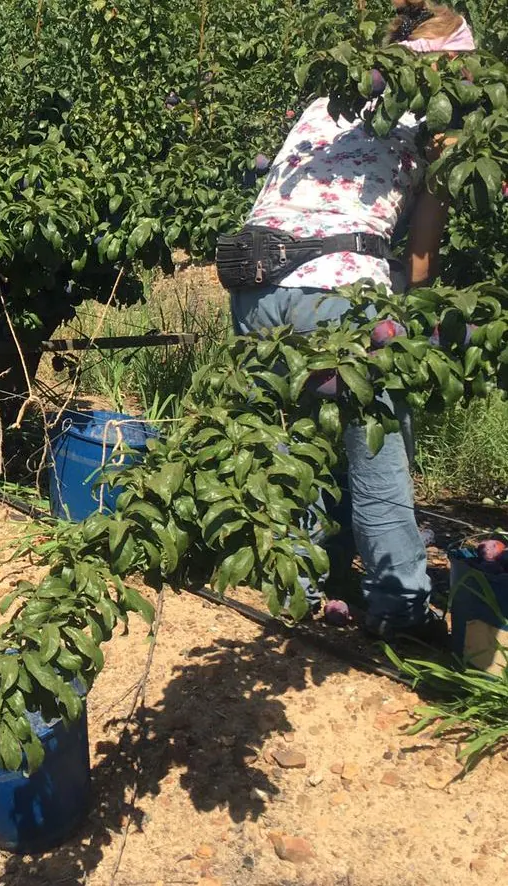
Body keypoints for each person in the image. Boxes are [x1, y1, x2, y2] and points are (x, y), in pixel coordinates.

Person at [220, 0, 475, 642]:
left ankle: (299, 587)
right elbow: (422, 245)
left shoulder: (335, 96)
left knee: (295, 442)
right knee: (379, 453)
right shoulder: (436, 118)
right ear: (449, 65)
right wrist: (410, 316)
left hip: (255, 287)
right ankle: (400, 609)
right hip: (339, 292)